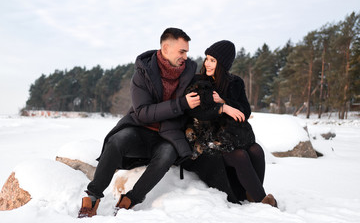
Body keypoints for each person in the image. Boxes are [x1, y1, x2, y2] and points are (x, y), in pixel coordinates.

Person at [78, 27, 200, 218]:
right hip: (140, 130)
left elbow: (206, 93)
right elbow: (142, 113)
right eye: (181, 51)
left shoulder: (190, 75)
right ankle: (92, 197)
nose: (185, 56)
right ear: (166, 48)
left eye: (186, 52)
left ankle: (130, 200)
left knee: (168, 153)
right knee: (116, 140)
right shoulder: (143, 74)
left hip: (168, 134)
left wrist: (223, 105)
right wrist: (181, 104)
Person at [182, 40, 277, 207]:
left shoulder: (235, 83)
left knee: (256, 150)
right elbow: (196, 112)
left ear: (223, 63)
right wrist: (222, 108)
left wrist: (225, 100)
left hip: (230, 137)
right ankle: (263, 202)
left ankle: (251, 192)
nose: (207, 63)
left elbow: (245, 112)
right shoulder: (199, 81)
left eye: (212, 60)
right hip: (205, 140)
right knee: (240, 155)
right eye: (207, 59)